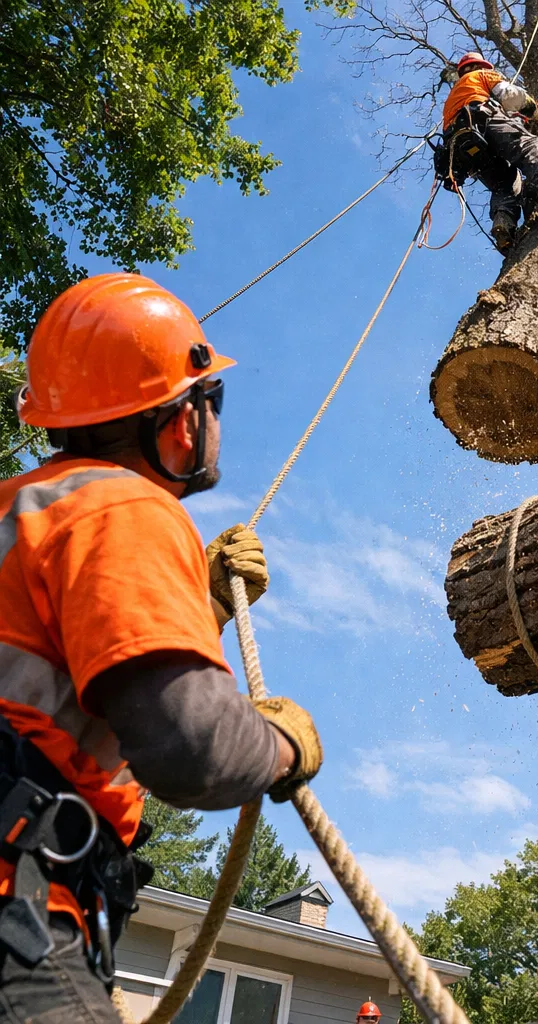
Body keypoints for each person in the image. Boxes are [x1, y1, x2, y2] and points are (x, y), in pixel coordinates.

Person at [0, 273, 323, 1022]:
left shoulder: (24, 511)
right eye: (213, 400)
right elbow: (194, 749)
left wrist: (202, 608)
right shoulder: (122, 505)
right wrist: (284, 746)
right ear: (182, 420)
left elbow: (52, 684)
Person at [442, 52, 538, 252]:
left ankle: (504, 226)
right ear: (479, 66)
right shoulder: (482, 75)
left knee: (504, 183)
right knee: (531, 146)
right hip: (485, 121)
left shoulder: (454, 96)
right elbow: (509, 94)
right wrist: (536, 111)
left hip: (462, 146)